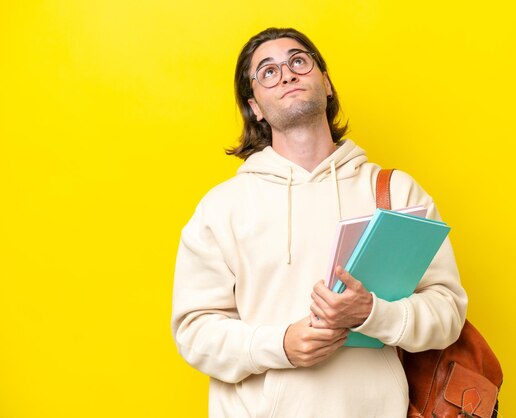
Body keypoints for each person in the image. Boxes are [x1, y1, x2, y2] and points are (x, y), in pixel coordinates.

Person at [171, 27, 467, 418]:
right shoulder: (222, 207)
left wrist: (372, 313)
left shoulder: (395, 192)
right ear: (254, 106)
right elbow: (194, 332)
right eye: (268, 72)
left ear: (325, 83)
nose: (288, 74)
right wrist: (281, 345)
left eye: (298, 61)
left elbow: (447, 313)